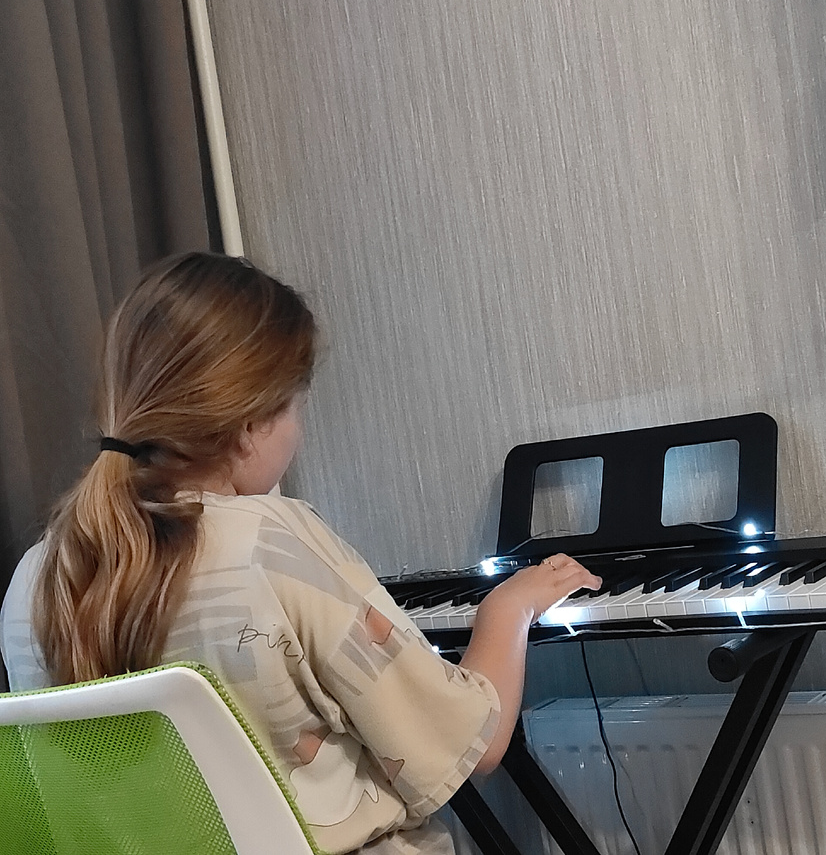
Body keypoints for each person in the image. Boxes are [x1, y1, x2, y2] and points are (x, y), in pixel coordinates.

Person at [0, 251, 600, 855]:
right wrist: (509, 609)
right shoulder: (271, 542)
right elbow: (476, 745)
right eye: (295, 407)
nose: (298, 432)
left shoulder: (32, 582)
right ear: (250, 425)